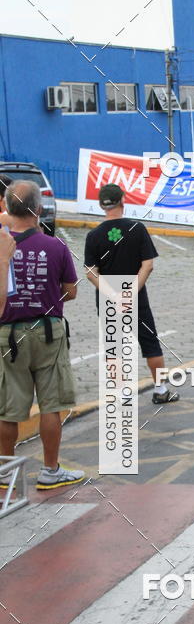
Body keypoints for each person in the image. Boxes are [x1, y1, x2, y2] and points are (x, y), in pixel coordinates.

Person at [0, 181, 84, 489]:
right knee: (51, 404)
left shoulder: (2, 246)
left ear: (7, 208)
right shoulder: (56, 246)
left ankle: (5, 472)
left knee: (7, 408)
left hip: (8, 334)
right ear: (38, 208)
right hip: (48, 331)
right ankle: (50, 470)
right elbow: (70, 292)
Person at [84, 184, 179, 404]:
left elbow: (90, 272)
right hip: (136, 297)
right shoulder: (137, 228)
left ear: (101, 205)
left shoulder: (93, 235)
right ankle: (161, 390)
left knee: (114, 348)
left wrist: (113, 295)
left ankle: (121, 395)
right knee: (150, 344)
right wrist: (130, 292)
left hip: (108, 299)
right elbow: (148, 265)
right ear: (123, 200)